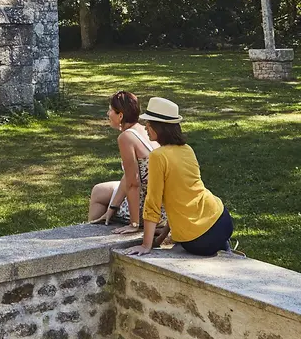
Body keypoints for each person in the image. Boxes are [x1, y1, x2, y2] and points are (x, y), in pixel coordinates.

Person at [129, 96, 236, 258]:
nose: (145, 128)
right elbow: (182, 199)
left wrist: (146, 245)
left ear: (159, 128)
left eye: (149, 125)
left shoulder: (158, 156)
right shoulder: (187, 149)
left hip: (198, 238)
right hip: (222, 219)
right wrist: (161, 238)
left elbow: (153, 203)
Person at [87, 91, 159, 235]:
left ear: (120, 116)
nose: (108, 113)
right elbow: (130, 175)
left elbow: (134, 183)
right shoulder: (143, 130)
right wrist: (113, 207)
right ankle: (102, 222)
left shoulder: (126, 137)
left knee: (98, 194)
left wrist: (134, 224)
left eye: (110, 110)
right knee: (99, 190)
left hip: (148, 207)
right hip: (160, 202)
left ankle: (92, 237)